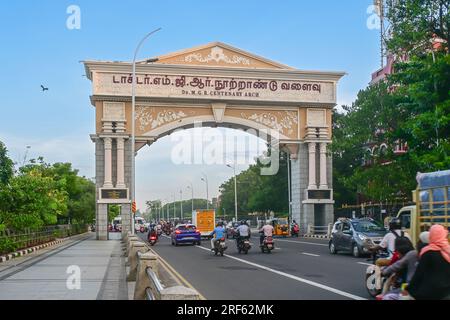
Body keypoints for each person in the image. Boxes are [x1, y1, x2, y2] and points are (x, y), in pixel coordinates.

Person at [404, 225, 450, 300]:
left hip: (430, 292)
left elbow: (419, 273)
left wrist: (409, 288)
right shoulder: (448, 250)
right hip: (446, 292)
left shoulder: (428, 252)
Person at [380, 233, 427, 300]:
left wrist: (383, 272)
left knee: (387, 297)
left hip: (412, 288)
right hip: (432, 289)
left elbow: (395, 266)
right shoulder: (441, 253)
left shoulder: (412, 254)